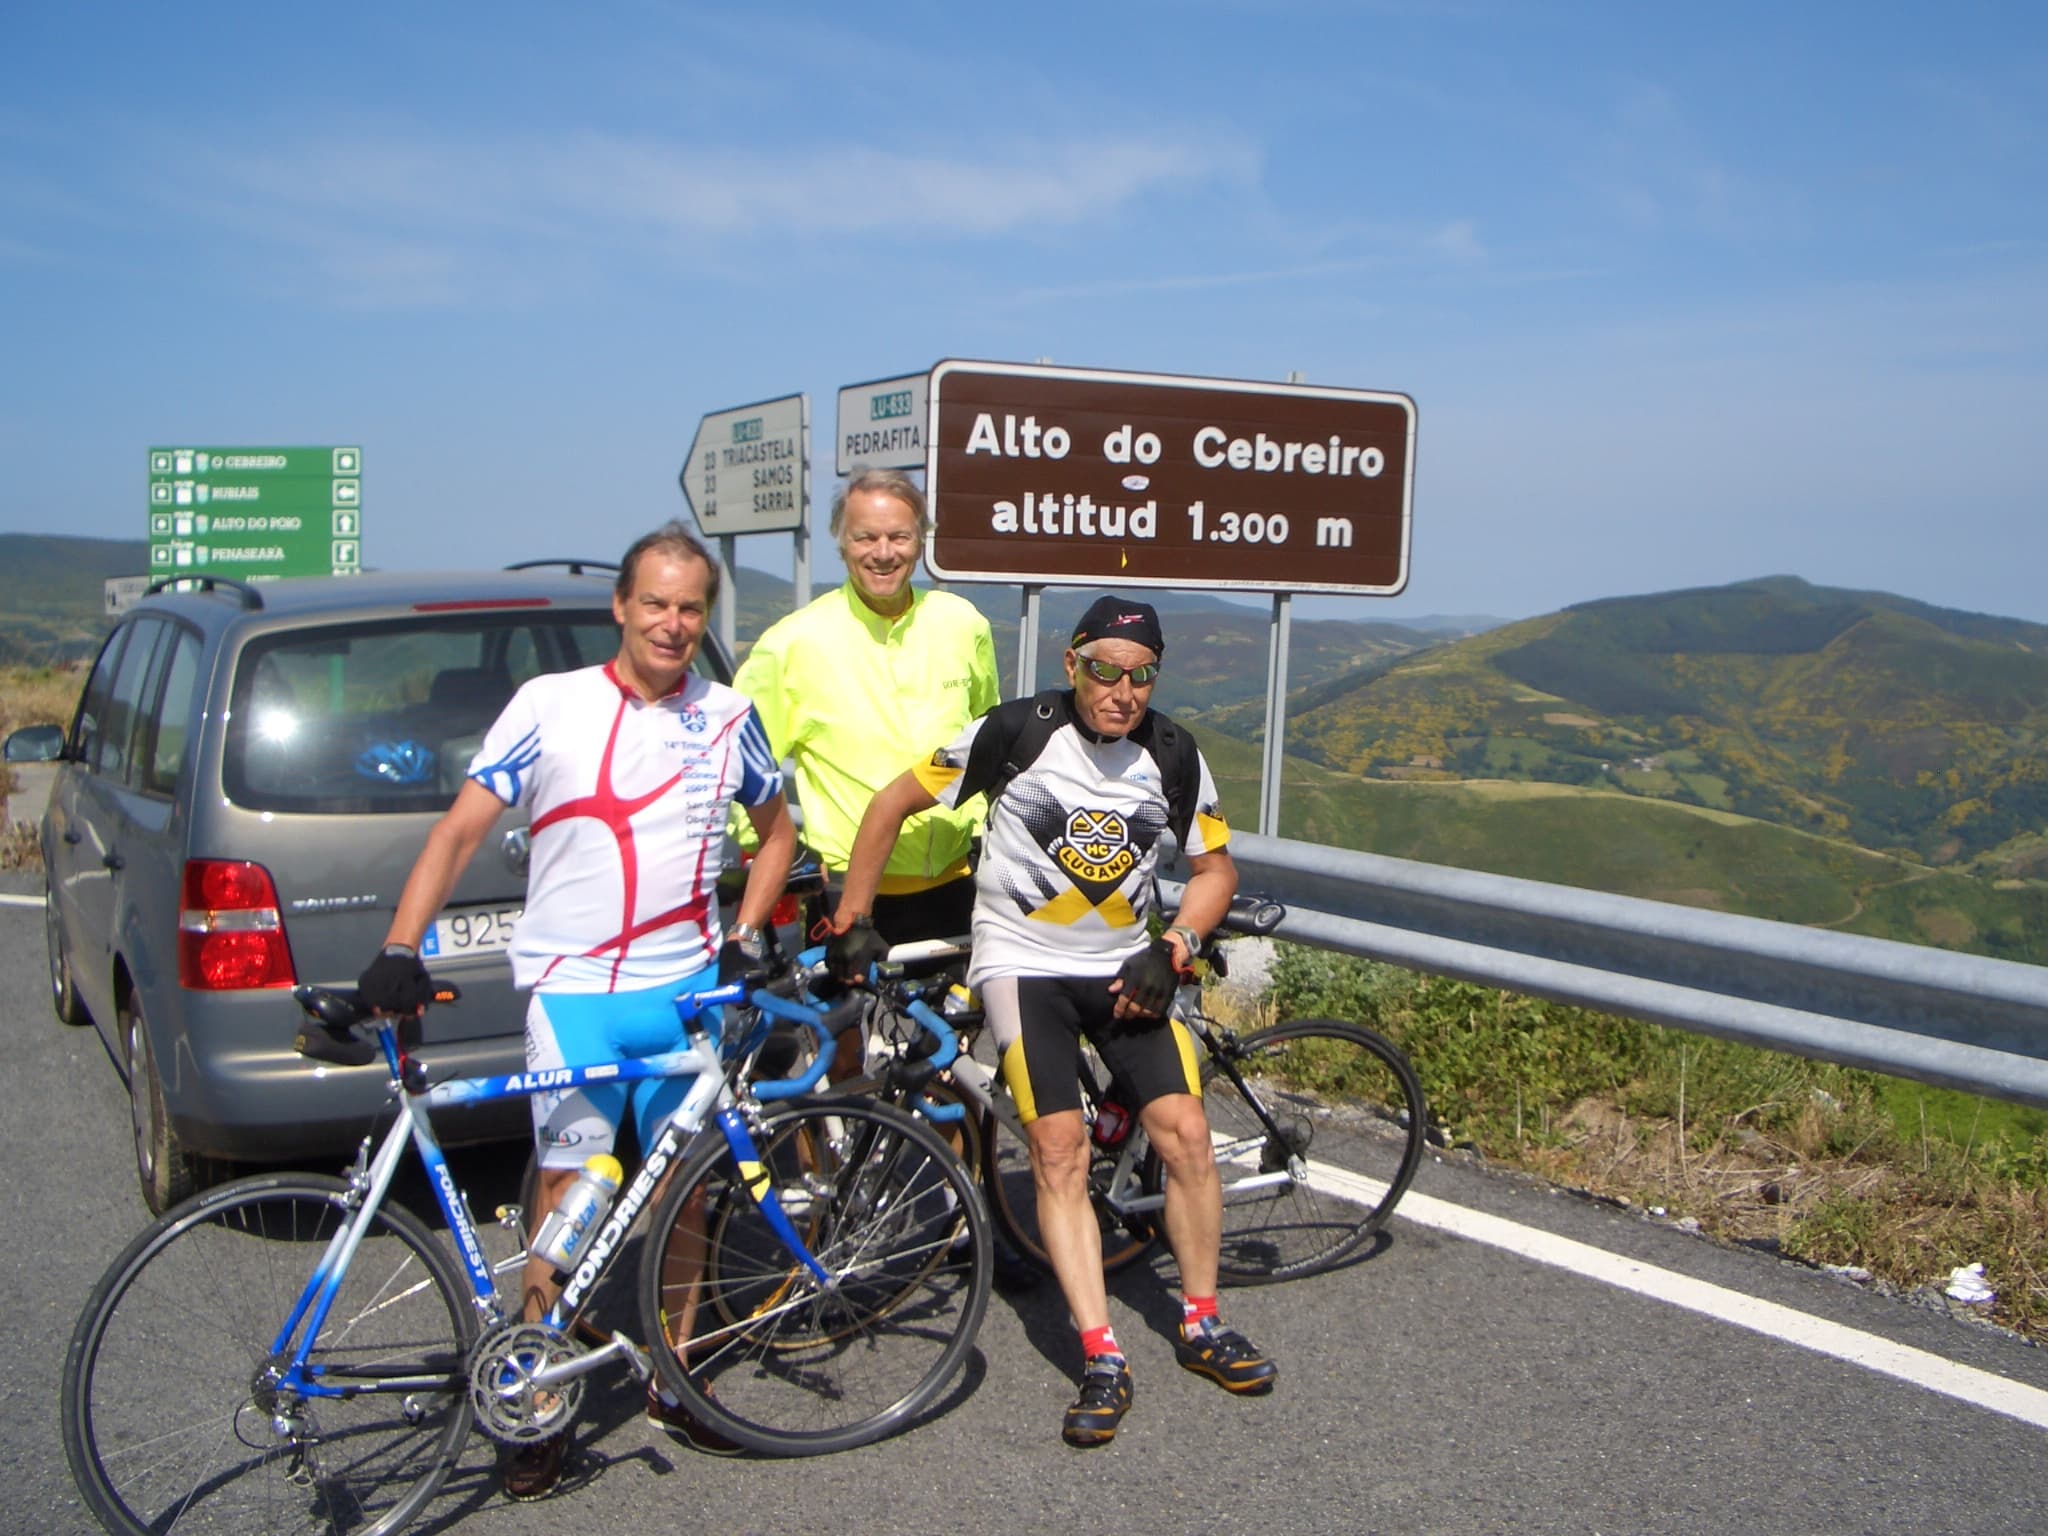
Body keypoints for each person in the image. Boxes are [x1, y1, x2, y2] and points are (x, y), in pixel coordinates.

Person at [356, 520, 795, 1500]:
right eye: (655, 604)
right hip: (573, 997)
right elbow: (460, 831)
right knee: (564, 1194)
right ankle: (535, 1393)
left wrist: (748, 932)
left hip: (681, 995)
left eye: (690, 608)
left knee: (684, 1192)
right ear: (621, 607)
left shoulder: (729, 716)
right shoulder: (547, 706)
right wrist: (399, 945)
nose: (672, 625)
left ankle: (677, 1377)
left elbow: (776, 832)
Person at [827, 594, 1277, 1447]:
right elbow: (889, 805)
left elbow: (1216, 870)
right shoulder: (1016, 732)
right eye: (1105, 671)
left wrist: (1175, 943)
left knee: (1184, 1133)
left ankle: (1203, 1322)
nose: (1123, 691)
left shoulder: (1174, 753)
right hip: (1023, 964)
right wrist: (854, 920)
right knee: (1058, 1149)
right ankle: (1103, 1351)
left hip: (1124, 966)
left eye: (1142, 676)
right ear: (1072, 664)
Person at [731, 466, 997, 962]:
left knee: (958, 1035)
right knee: (852, 1036)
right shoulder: (791, 645)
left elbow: (988, 736)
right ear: (841, 542)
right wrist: (783, 855)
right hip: (849, 896)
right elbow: (738, 770)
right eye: (865, 537)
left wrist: (979, 824)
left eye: (899, 536)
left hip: (959, 882)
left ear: (921, 542)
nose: (883, 552)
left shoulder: (963, 624)